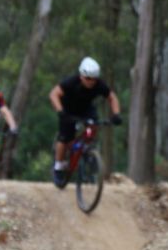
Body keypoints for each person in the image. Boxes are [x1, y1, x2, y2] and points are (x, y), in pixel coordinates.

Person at [48, 56, 122, 188]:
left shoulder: (99, 85)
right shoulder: (71, 82)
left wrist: (116, 114)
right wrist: (60, 111)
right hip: (68, 110)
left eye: (94, 79)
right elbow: (54, 94)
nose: (91, 82)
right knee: (64, 137)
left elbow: (112, 97)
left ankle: (88, 151)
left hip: (86, 109)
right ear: (81, 76)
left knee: (94, 124)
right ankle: (58, 166)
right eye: (88, 78)